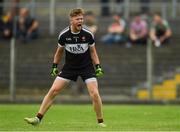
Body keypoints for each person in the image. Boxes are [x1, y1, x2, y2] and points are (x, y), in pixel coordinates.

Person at [24, 8, 106, 127]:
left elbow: (93, 52)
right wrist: (54, 66)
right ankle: (38, 118)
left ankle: (100, 122)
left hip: (86, 67)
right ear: (71, 20)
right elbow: (59, 52)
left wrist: (98, 66)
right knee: (53, 90)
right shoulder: (64, 35)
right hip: (70, 67)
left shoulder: (88, 34)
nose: (80, 21)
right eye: (78, 19)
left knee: (94, 93)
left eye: (82, 19)